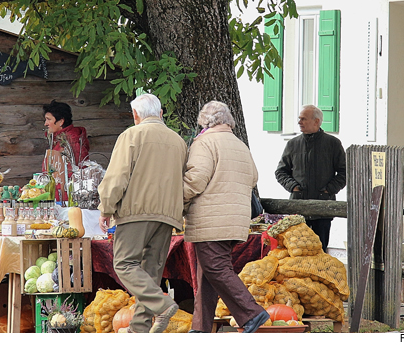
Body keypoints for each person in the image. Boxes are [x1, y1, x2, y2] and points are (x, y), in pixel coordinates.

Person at [97, 93, 187, 333]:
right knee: (151, 271)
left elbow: (116, 178)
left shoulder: (131, 135)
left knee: (125, 264)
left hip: (136, 212)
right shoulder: (178, 140)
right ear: (160, 113)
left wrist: (106, 208)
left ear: (135, 115)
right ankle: (140, 328)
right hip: (168, 215)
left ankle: (163, 304)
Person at [182, 101, 269, 333]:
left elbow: (195, 181)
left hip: (212, 220)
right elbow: (253, 178)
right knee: (208, 274)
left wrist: (175, 200)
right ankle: (200, 328)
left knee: (216, 268)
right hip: (235, 220)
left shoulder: (205, 143)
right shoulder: (240, 145)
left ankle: (252, 313)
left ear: (205, 122)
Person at [275, 104, 346, 252]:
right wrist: (293, 187)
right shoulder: (293, 144)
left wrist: (329, 190)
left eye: (303, 119)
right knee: (298, 252)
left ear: (316, 121)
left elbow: (345, 172)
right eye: (299, 119)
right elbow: (281, 172)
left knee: (320, 252)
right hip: (298, 209)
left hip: (323, 209)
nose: (299, 122)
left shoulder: (333, 144)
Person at [43, 100, 89, 167]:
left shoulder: (72, 141)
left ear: (61, 121)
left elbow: (73, 171)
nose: (45, 124)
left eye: (49, 119)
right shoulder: (57, 139)